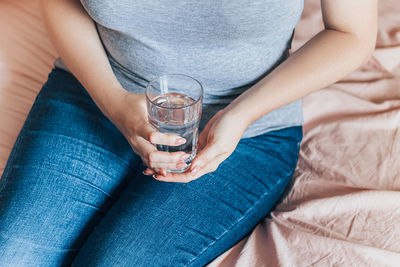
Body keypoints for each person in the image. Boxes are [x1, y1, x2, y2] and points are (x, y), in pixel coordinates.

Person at [0, 0, 377, 266]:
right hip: (97, 91)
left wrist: (239, 115)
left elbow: (351, 33)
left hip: (245, 131)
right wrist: (114, 102)